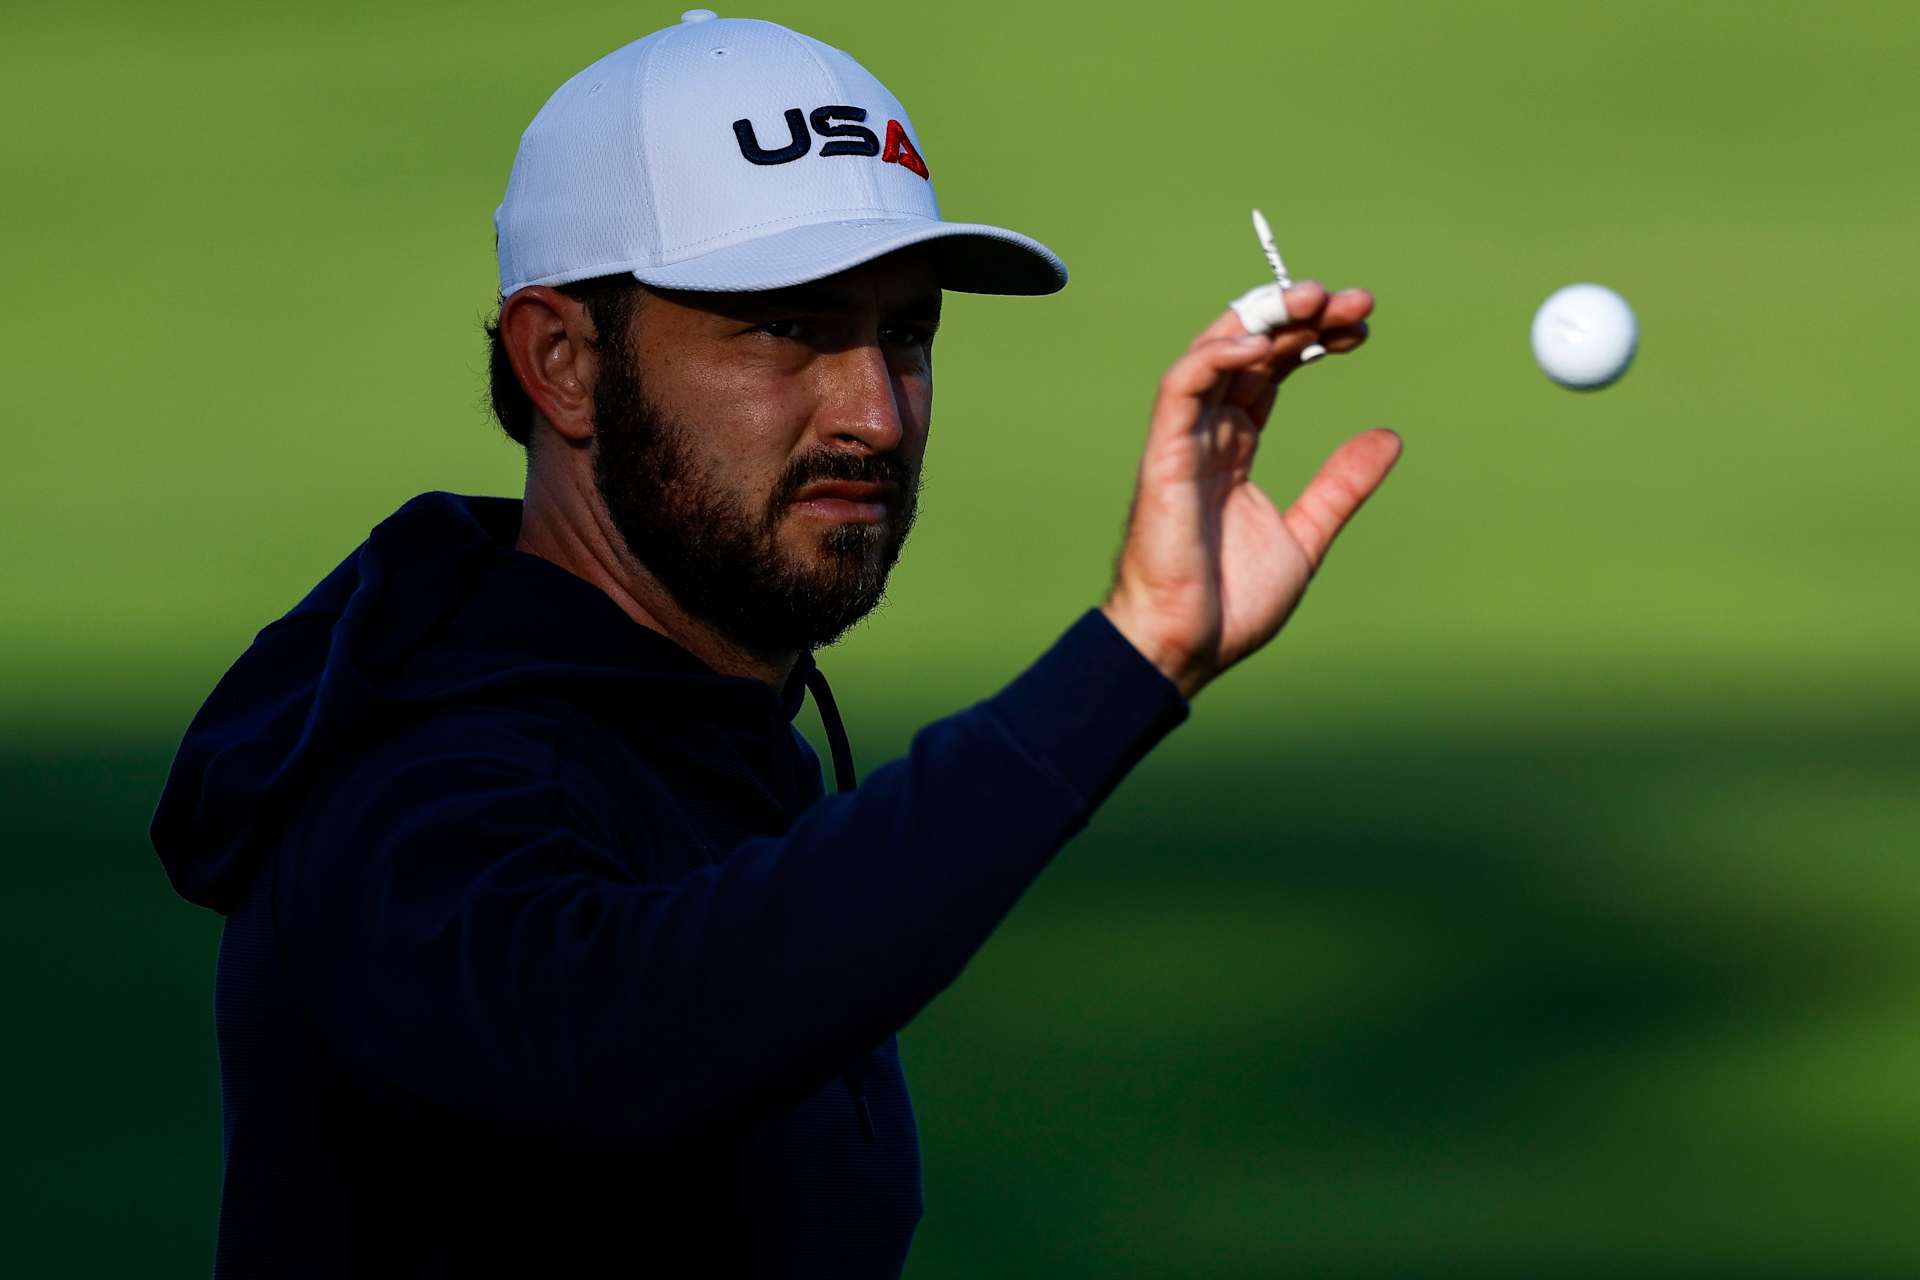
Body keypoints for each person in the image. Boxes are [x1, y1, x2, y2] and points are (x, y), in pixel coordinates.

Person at [150, 12, 1398, 1277]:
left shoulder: (721, 736)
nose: (873, 412)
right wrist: (1127, 660)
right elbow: (624, 1035)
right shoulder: (408, 791)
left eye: (905, 332)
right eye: (788, 327)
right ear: (564, 363)